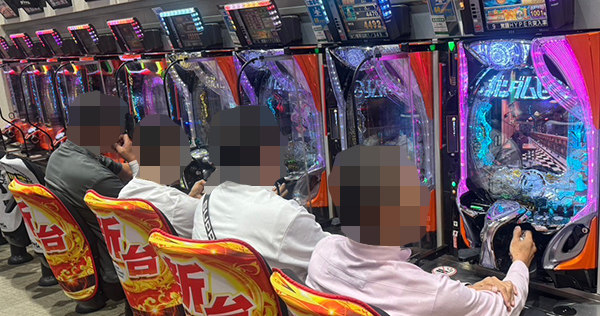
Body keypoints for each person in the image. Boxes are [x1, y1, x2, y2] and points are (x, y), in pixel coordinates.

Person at [305, 145, 538, 316]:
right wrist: (520, 261)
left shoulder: (322, 252)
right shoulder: (428, 292)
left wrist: (467, 292)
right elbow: (505, 307)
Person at [191, 105, 330, 280]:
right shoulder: (286, 217)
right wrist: (276, 210)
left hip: (220, 295)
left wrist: (270, 204)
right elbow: (336, 261)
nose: (283, 144)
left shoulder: (206, 201)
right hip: (283, 298)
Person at [44, 91, 134, 314]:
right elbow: (143, 214)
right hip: (118, 268)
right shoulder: (96, 178)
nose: (121, 132)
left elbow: (124, 172)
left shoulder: (65, 153)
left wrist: (131, 159)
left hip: (88, 260)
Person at [116, 114, 206, 238]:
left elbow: (172, 212)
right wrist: (206, 202)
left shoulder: (125, 193)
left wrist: (189, 199)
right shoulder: (178, 205)